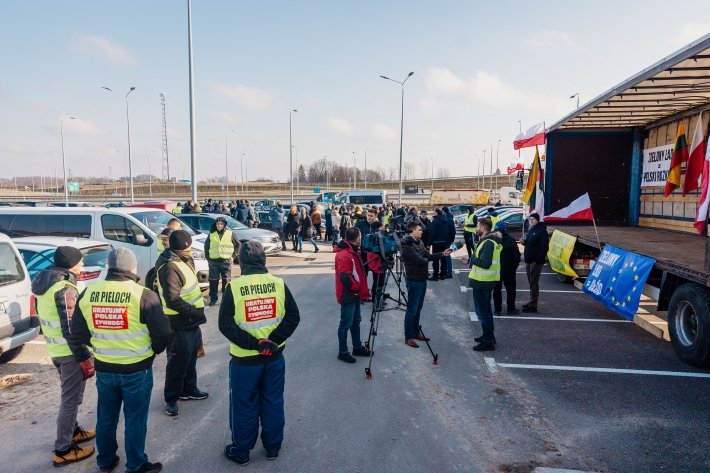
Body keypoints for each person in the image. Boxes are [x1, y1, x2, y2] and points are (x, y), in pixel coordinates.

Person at [72, 248, 170, 473]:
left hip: (105, 367)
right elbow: (163, 332)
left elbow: (78, 330)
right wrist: (152, 350)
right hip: (137, 369)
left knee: (106, 416)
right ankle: (136, 464)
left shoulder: (89, 293)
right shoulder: (143, 294)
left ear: (109, 267)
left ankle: (105, 461)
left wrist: (101, 345)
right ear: (132, 268)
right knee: (135, 419)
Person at [218, 241, 300, 465]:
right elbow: (293, 317)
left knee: (244, 405)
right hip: (274, 358)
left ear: (241, 262)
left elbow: (226, 325)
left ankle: (242, 451)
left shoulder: (234, 288)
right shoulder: (278, 284)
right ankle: (273, 447)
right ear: (264, 260)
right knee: (273, 401)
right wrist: (271, 342)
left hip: (245, 361)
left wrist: (255, 344)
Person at [32, 246, 96, 467]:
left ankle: (73, 431)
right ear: (71, 264)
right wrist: (84, 356)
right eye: (81, 261)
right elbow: (72, 327)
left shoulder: (45, 284)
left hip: (56, 351)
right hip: (70, 353)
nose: (83, 265)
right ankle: (63, 449)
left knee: (73, 396)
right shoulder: (65, 288)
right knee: (69, 401)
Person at [156, 230, 208, 417]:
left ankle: (189, 389)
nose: (190, 250)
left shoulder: (181, 260)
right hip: (179, 323)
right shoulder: (170, 267)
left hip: (190, 322)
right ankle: (171, 399)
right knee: (178, 362)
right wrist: (194, 312)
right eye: (188, 247)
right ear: (182, 248)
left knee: (190, 358)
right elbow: (172, 299)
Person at [400, 222, 451, 348]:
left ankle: (416, 332)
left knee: (418, 308)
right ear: (412, 231)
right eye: (419, 230)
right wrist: (426, 259)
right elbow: (421, 261)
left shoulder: (419, 242)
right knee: (412, 309)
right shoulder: (407, 246)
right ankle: (408, 337)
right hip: (414, 280)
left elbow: (427, 256)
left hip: (422, 279)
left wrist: (442, 254)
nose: (422, 231)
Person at [333, 227, 372, 362]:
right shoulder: (345, 254)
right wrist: (358, 287)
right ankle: (342, 352)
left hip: (354, 293)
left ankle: (357, 347)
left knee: (356, 321)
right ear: (357, 238)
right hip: (348, 294)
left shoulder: (352, 251)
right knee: (346, 323)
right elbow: (345, 277)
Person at [465, 217, 502, 352]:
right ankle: (488, 336)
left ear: (483, 227)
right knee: (485, 312)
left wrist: (472, 259)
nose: (476, 228)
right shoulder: (489, 241)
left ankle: (488, 341)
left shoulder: (488, 243)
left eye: (477, 226)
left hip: (483, 282)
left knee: (483, 313)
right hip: (483, 281)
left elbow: (485, 264)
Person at [204, 216, 240, 306]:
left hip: (226, 261)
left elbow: (238, 245)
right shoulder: (212, 234)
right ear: (215, 225)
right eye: (218, 224)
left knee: (226, 281)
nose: (219, 226)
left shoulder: (230, 233)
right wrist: (208, 258)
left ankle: (226, 299)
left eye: (221, 224)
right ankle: (213, 299)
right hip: (213, 261)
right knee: (213, 281)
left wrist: (233, 256)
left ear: (224, 225)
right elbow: (206, 246)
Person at [520, 212, 549, 313]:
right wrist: (525, 242)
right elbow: (531, 244)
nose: (531, 221)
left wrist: (538, 260)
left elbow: (544, 247)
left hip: (535, 262)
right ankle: (532, 302)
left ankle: (533, 306)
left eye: (533, 219)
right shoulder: (532, 229)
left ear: (537, 219)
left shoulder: (542, 231)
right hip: (529, 261)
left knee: (533, 283)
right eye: (530, 219)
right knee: (531, 283)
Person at [355, 207, 385, 301]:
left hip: (375, 255)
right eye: (368, 215)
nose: (369, 217)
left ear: (376, 216)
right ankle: (362, 295)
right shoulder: (360, 224)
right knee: (363, 275)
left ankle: (375, 296)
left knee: (377, 276)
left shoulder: (379, 225)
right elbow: (354, 235)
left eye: (371, 216)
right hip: (363, 254)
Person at [492, 221, 521, 316]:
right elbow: (517, 256)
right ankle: (511, 308)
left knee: (497, 290)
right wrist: (514, 267)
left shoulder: (493, 241)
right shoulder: (511, 240)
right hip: (509, 270)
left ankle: (497, 310)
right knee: (511, 290)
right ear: (505, 229)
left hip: (496, 270)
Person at [427, 208, 451, 281]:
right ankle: (443, 274)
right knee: (443, 258)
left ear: (437, 213)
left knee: (436, 259)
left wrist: (429, 243)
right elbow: (449, 231)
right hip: (444, 242)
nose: (433, 213)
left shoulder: (435, 221)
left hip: (436, 243)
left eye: (434, 212)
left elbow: (432, 233)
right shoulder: (446, 220)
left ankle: (435, 276)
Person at [442, 206, 456, 278]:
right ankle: (445, 272)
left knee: (447, 255)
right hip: (447, 240)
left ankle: (449, 273)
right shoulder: (448, 218)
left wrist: (450, 240)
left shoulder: (449, 219)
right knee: (445, 255)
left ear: (444, 211)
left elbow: (453, 232)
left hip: (447, 241)